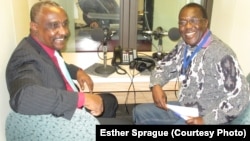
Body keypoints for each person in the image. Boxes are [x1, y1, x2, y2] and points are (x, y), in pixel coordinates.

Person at [5, 1, 129, 141]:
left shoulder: (45, 45)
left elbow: (57, 64)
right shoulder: (25, 56)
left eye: (64, 24)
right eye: (54, 25)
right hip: (60, 122)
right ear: (34, 26)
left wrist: (76, 71)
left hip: (69, 103)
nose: (64, 31)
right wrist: (82, 99)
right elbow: (23, 97)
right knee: (125, 126)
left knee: (110, 101)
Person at [132, 3, 250, 125]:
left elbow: (240, 97)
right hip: (186, 109)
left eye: (193, 21)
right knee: (139, 112)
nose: (187, 26)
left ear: (205, 23)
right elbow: (165, 65)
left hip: (209, 116)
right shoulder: (184, 44)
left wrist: (205, 121)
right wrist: (156, 85)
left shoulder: (221, 54)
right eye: (182, 22)